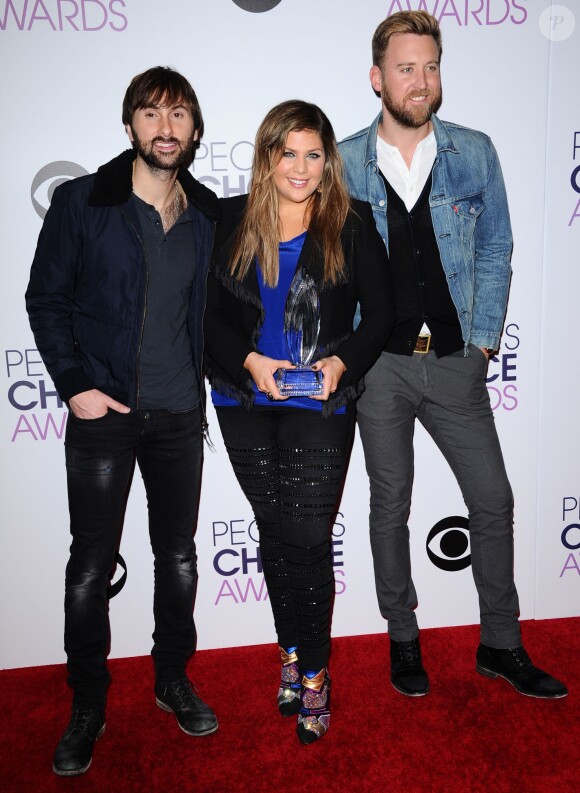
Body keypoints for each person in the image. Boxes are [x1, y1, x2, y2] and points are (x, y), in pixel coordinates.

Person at [339, 11, 567, 700]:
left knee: (493, 499)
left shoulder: (475, 151)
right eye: (406, 68)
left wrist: (487, 339)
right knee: (390, 506)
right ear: (377, 78)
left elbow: (497, 246)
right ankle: (403, 639)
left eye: (431, 66)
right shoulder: (343, 161)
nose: (421, 80)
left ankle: (501, 642)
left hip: (455, 363)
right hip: (378, 366)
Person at [26, 66, 220, 777]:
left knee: (179, 557)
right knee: (89, 566)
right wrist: (74, 384)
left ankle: (172, 677)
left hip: (178, 416)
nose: (165, 128)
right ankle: (88, 701)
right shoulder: (84, 203)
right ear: (130, 124)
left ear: (195, 130)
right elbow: (44, 299)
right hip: (104, 415)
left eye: (178, 115)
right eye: (151, 113)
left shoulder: (207, 214)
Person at [204, 100, 393, 743]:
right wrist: (249, 360)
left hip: (321, 401)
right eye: (289, 152)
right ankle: (289, 651)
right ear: (267, 156)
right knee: (276, 533)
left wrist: (342, 362)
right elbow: (201, 318)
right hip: (243, 399)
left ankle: (315, 673)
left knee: (308, 538)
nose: (302, 167)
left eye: (314, 154)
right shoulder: (227, 218)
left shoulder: (353, 221)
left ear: (328, 161)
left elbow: (385, 314)